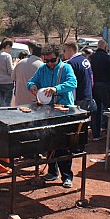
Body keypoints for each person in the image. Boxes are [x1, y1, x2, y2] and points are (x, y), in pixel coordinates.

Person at [28, 44, 78, 188]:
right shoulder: (42, 69)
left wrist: (56, 89)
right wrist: (31, 86)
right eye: (47, 61)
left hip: (63, 110)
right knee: (48, 142)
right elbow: (32, 81)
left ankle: (67, 176)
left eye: (52, 60)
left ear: (59, 57)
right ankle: (52, 171)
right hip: (46, 111)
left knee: (63, 145)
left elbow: (72, 83)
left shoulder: (66, 68)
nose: (49, 63)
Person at [63, 41, 96, 132]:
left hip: (79, 97)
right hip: (88, 95)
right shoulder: (85, 60)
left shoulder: (71, 64)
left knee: (76, 125)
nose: (63, 53)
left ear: (70, 50)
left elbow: (70, 83)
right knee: (84, 123)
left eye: (64, 50)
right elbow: (91, 78)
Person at [90, 40, 110, 140]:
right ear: (105, 47)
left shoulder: (91, 57)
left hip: (93, 86)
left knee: (95, 111)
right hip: (105, 85)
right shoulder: (107, 58)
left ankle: (96, 134)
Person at [11, 41, 43, 106]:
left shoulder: (20, 62)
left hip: (19, 101)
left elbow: (13, 78)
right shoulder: (42, 66)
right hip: (35, 102)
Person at [0, 39, 14, 107]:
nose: (10, 50)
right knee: (7, 104)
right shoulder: (7, 56)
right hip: (8, 82)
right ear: (7, 46)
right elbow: (10, 71)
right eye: (10, 48)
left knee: (0, 103)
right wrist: (15, 65)